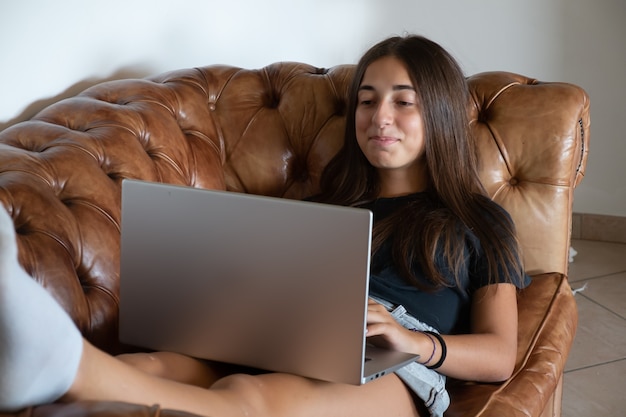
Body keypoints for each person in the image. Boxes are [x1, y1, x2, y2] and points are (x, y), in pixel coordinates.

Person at [0, 35, 530, 417]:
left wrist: (415, 342)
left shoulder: (479, 222)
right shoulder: (328, 206)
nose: (379, 117)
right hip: (290, 334)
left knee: (252, 402)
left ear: (437, 113)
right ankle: (52, 379)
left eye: (403, 102)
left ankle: (65, 361)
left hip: (395, 368)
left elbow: (499, 353)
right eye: (367, 101)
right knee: (157, 366)